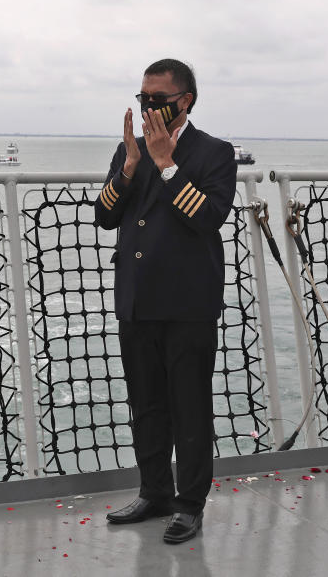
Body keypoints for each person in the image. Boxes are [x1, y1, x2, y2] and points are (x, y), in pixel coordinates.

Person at [95, 58, 237, 544]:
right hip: (136, 298)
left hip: (187, 302)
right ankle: (154, 491)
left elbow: (208, 218)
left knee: (190, 406)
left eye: (158, 99)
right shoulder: (128, 150)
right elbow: (105, 216)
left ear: (185, 101)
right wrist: (132, 166)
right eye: (143, 99)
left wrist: (166, 164)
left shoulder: (214, 153)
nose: (150, 108)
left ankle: (189, 504)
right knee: (147, 405)